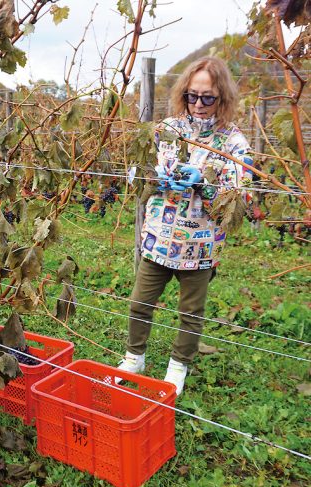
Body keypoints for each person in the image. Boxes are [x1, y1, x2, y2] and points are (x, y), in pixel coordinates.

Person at [118, 56, 252, 395]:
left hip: (201, 243)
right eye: (193, 96)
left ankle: (178, 367)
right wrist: (157, 178)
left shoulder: (235, 144)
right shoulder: (168, 129)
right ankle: (134, 358)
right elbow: (135, 172)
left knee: (191, 312)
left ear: (222, 97)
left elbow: (239, 199)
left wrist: (203, 185)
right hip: (160, 237)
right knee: (139, 303)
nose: (199, 104)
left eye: (208, 97)